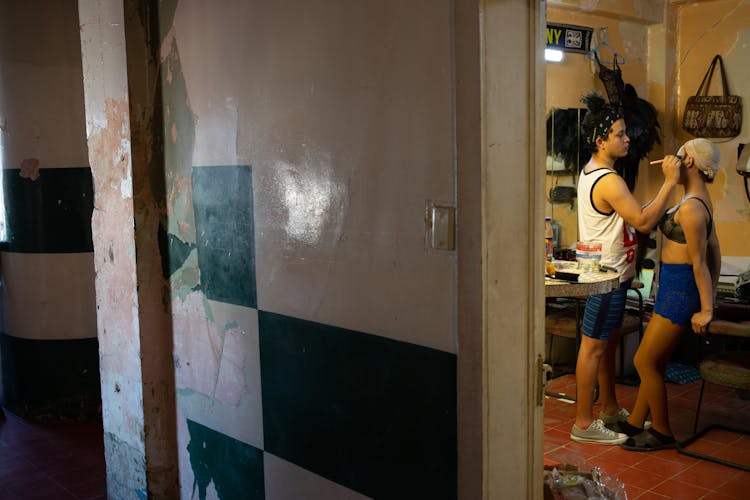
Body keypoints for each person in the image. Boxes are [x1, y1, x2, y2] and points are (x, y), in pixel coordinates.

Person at [570, 92, 682, 445]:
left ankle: (608, 407)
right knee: (593, 347)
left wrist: (650, 202)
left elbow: (634, 211)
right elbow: (644, 221)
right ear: (601, 141)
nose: (627, 138)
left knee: (607, 341)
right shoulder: (608, 180)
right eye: (619, 134)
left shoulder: (595, 173)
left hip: (611, 273)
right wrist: (670, 183)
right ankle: (584, 423)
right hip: (605, 277)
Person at [614, 138, 722, 451]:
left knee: (643, 360)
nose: (671, 158)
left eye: (680, 154)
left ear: (689, 162)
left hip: (680, 291)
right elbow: (715, 249)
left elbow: (701, 262)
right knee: (656, 361)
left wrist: (706, 308)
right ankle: (636, 420)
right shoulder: (693, 199)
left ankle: (661, 430)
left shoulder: (691, 209)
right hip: (672, 286)